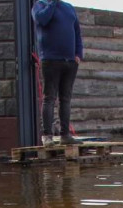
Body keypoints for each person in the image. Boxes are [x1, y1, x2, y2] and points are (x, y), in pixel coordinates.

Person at [32, 0, 84, 147]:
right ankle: (47, 136)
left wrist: (78, 54)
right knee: (49, 97)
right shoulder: (39, 5)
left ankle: (65, 135)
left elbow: (77, 32)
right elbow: (42, 20)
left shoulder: (69, 8)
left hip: (70, 62)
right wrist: (52, 3)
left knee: (65, 99)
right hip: (50, 60)